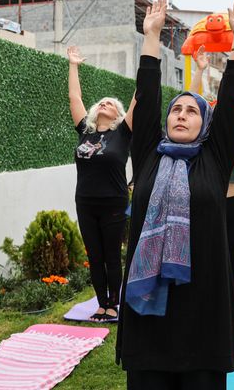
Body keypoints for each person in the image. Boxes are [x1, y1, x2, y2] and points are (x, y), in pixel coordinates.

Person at [117, 0, 234, 389]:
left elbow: (229, 103)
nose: (181, 115)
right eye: (176, 110)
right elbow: (147, 95)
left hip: (202, 310)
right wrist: (152, 37)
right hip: (149, 312)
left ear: (204, 124)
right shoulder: (148, 156)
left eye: (192, 111)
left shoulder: (214, 156)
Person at [67, 45, 136, 322]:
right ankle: (101, 304)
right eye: (102, 102)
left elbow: (138, 98)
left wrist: (148, 58)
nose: (106, 103)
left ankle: (113, 305)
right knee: (94, 256)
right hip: (85, 201)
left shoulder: (123, 133)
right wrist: (73, 65)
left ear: (117, 113)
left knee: (111, 254)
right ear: (96, 111)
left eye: (111, 103)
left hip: (114, 202)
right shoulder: (85, 131)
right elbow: (74, 97)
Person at [190, 44, 234, 306]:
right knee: (202, 267)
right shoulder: (198, 146)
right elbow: (189, 100)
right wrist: (199, 70)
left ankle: (230, 319)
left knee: (231, 268)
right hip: (204, 210)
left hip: (230, 209)